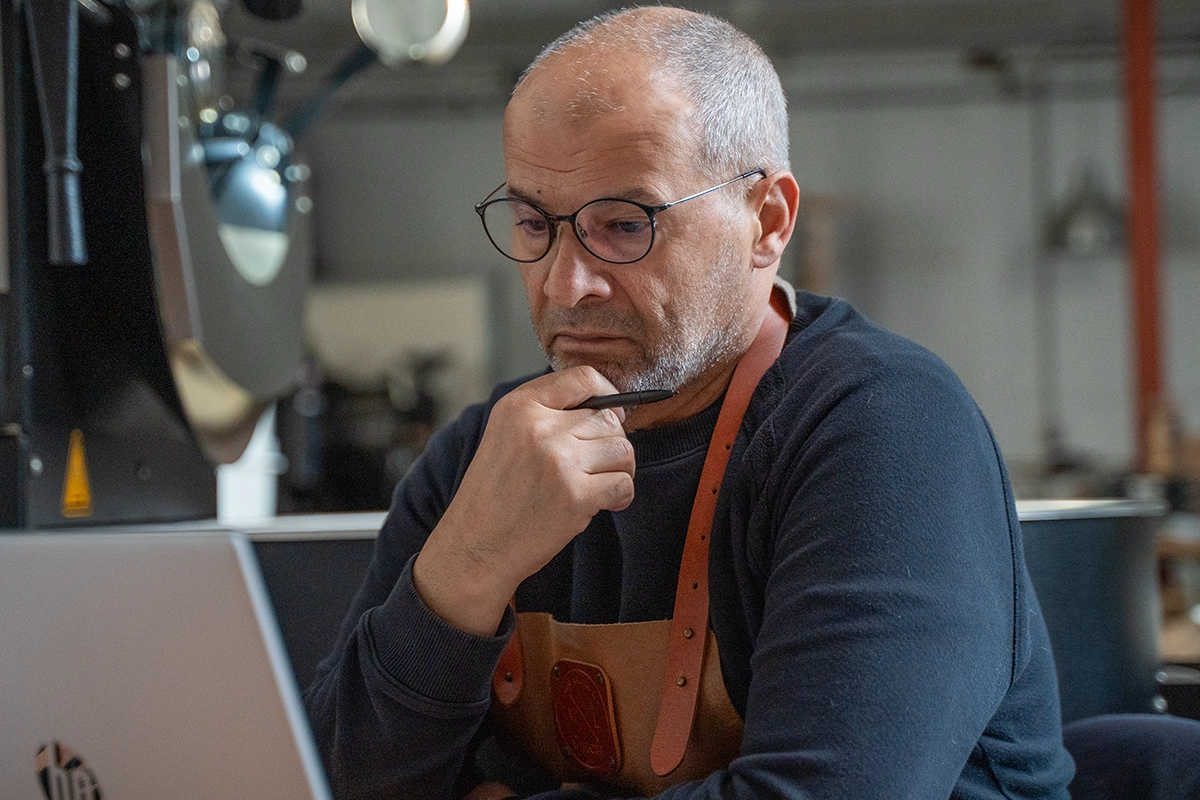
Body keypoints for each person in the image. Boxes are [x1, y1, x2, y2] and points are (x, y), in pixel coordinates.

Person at [305, 6, 1075, 798]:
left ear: (766, 221)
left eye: (624, 224)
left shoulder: (884, 429)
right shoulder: (485, 455)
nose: (566, 283)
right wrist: (467, 567)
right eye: (534, 223)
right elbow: (328, 780)